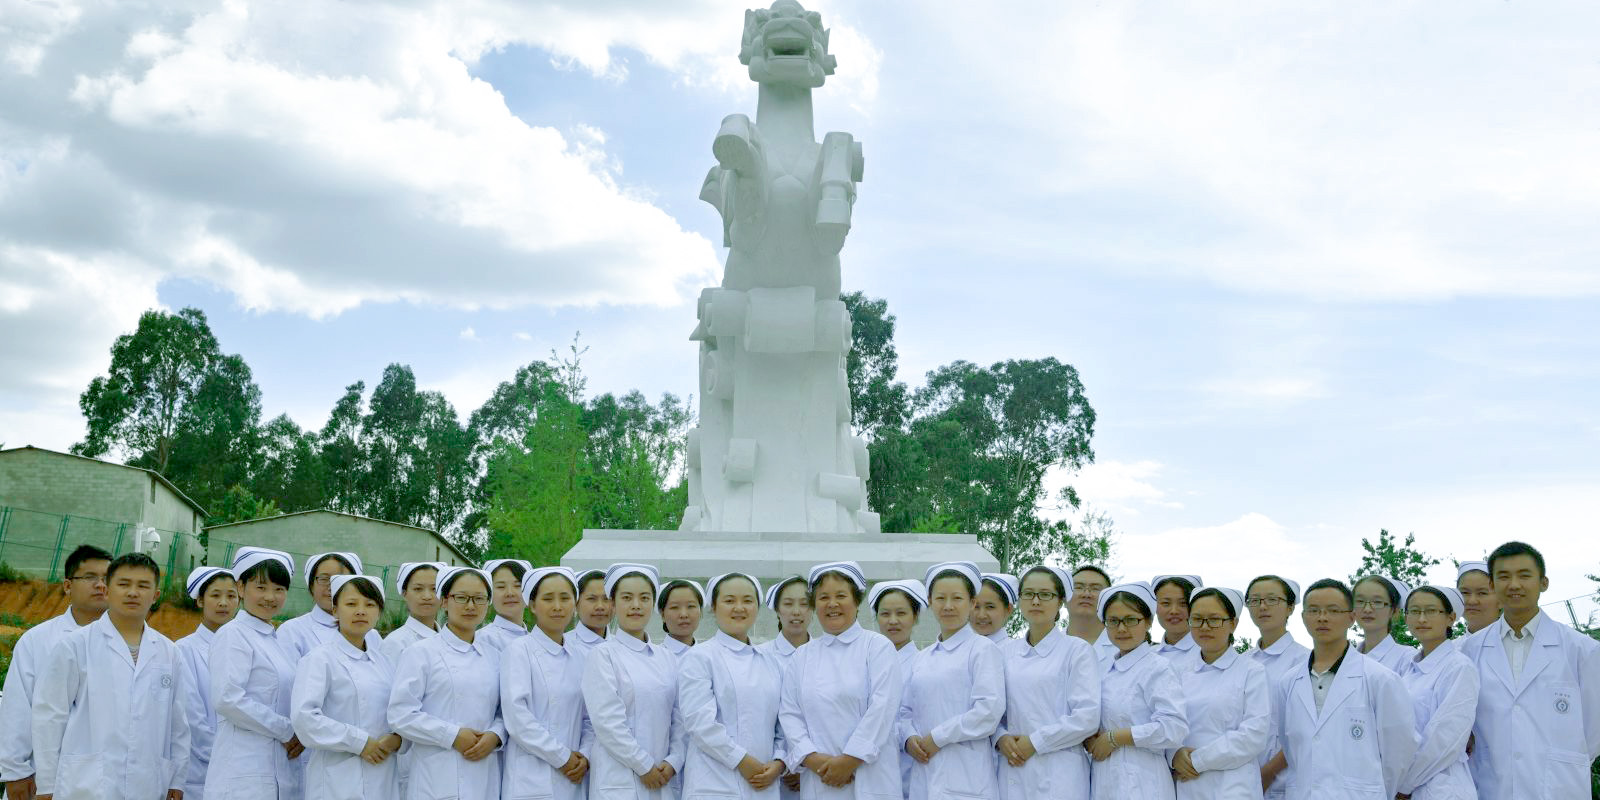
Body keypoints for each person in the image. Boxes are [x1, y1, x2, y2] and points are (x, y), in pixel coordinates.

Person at [30, 552, 189, 800]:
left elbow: (178, 723)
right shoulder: (75, 646)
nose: (133, 593)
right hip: (86, 786)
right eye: (124, 584)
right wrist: (47, 785)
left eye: (143, 586)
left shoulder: (170, 652)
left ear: (156, 595)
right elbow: (50, 716)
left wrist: (177, 779)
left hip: (148, 784)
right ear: (106, 590)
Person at [1456, 540, 1600, 800]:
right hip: (1489, 785)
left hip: (1558, 788)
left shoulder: (1582, 650)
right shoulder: (1470, 650)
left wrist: (1565, 761)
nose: (1514, 585)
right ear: (1493, 585)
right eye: (1503, 576)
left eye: (1524, 575)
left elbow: (1594, 728)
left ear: (1543, 583)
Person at [1275, 578, 1415, 800]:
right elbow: (1291, 746)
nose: (1322, 617)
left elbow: (1398, 752)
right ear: (1303, 617)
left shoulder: (1380, 679)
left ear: (1351, 617)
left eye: (1333, 610)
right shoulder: (1288, 682)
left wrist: (1375, 791)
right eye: (1314, 610)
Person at [778, 561, 903, 799]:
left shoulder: (877, 647)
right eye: (823, 597)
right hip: (819, 779)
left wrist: (850, 760)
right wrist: (812, 759)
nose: (832, 604)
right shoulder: (802, 656)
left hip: (869, 777)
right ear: (814, 605)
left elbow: (882, 709)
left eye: (841, 596)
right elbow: (789, 714)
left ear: (856, 601)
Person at [0, 544, 110, 800]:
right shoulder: (38, 641)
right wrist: (16, 771)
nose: (100, 585)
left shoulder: (128, 643)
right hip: (43, 774)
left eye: (107, 578)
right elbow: (17, 707)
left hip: (105, 777)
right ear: (68, 586)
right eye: (90, 577)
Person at [388, 566, 505, 800]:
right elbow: (400, 714)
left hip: (484, 772)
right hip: (435, 776)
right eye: (461, 597)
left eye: (479, 599)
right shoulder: (420, 653)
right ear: (444, 601)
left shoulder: (495, 657)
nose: (470, 606)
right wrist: (452, 735)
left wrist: (496, 735)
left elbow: (504, 711)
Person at [204, 546, 305, 800]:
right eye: (261, 587)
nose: (270, 597)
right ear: (241, 588)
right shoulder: (233, 634)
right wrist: (286, 730)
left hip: (280, 771)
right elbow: (227, 699)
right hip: (243, 772)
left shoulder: (278, 642)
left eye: (279, 589)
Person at [291, 574, 403, 799]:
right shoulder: (320, 659)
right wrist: (359, 742)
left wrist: (397, 738)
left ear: (379, 612)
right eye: (351, 604)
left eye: (369, 605)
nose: (361, 611)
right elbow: (304, 719)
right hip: (336, 780)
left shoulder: (385, 663)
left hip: (383, 774)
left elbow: (398, 711)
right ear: (335, 610)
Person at [899, 561, 1005, 800]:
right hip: (924, 770)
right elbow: (905, 711)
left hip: (967, 775)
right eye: (940, 598)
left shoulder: (982, 649)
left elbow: (988, 712)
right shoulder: (922, 658)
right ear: (930, 601)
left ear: (972, 603)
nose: (948, 606)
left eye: (957, 598)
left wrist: (938, 737)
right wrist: (908, 738)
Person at [581, 562, 685, 799]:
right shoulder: (602, 655)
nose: (636, 605)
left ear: (653, 604)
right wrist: (643, 765)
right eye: (627, 598)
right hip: (619, 779)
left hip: (662, 776)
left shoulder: (667, 657)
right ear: (613, 604)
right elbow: (607, 722)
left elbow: (679, 717)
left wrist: (674, 761)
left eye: (644, 598)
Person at [995, 565, 1099, 800]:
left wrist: (1035, 742)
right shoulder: (1005, 652)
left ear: (1060, 601)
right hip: (1012, 767)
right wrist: (1000, 737)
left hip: (1060, 771)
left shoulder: (1077, 651)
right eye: (1028, 594)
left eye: (1045, 594)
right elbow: (994, 709)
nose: (1036, 601)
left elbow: (1087, 717)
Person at [679, 572, 786, 799]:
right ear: (713, 607)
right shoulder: (700, 657)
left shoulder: (771, 661)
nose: (739, 608)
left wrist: (779, 761)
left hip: (763, 783)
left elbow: (782, 723)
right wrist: (741, 761)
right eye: (729, 601)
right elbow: (699, 723)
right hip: (713, 784)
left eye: (747, 600)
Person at [1085, 582, 1186, 800]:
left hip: (1144, 780)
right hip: (1104, 778)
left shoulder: (1158, 668)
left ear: (1148, 622)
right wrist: (1089, 738)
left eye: (1131, 620)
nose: (1122, 629)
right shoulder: (1103, 670)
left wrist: (1117, 737)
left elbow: (1173, 728)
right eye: (1113, 621)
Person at [1169, 587, 1271, 799]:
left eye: (1214, 619)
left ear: (1233, 623)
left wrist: (1198, 761)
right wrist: (1173, 755)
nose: (1205, 627)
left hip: (1234, 787)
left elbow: (1254, 735)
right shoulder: (1177, 672)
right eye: (1197, 619)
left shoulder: (1251, 671)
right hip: (1187, 785)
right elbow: (1167, 722)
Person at [501, 566, 592, 800]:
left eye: (565, 598)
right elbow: (517, 717)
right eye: (548, 599)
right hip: (531, 778)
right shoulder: (518, 651)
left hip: (574, 775)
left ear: (575, 604)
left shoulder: (582, 656)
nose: (558, 607)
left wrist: (585, 755)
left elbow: (590, 717)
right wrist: (562, 757)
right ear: (532, 605)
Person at [1395, 585, 1478, 799]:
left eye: (1431, 611)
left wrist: (1404, 786)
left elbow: (1444, 739)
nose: (1422, 619)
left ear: (1451, 618)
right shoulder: (1408, 669)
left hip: (1441, 787)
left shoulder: (1459, 667)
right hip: (1406, 782)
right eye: (1414, 611)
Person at [176, 566, 240, 800]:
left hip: (246, 767)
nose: (224, 603)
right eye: (215, 595)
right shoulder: (184, 650)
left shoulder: (246, 648)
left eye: (231, 596)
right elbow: (192, 717)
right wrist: (227, 757)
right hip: (203, 769)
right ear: (200, 601)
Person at [1242, 574, 1309, 799]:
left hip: (1285, 779)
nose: (1263, 607)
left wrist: (1269, 773)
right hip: (1241, 776)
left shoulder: (1305, 661)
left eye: (1272, 599)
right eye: (1255, 600)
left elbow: (1305, 728)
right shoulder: (1241, 661)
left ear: (1290, 608)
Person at [866, 580, 925, 798]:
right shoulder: (864, 664)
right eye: (885, 614)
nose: (893, 621)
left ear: (915, 616)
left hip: (910, 764)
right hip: (867, 764)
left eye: (901, 613)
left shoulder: (924, 664)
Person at [758, 574, 813, 799]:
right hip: (767, 767)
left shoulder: (826, 656)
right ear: (777, 610)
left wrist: (804, 765)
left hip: (817, 768)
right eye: (788, 604)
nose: (796, 612)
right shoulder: (759, 656)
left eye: (804, 604)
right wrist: (784, 763)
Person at [279, 552, 381, 660]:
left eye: (341, 580)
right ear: (311, 586)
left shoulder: (371, 635)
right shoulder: (292, 631)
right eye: (324, 579)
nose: (332, 586)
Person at [379, 562, 444, 665]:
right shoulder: (395, 644)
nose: (427, 596)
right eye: (418, 589)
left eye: (434, 589)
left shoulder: (449, 640)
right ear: (404, 594)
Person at [1351, 575, 1417, 675]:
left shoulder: (1408, 659)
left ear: (1394, 611)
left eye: (1377, 602)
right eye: (1360, 601)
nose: (1367, 609)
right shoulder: (1346, 658)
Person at [1064, 566, 1117, 668]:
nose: (1086, 594)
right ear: (1064, 599)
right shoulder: (1048, 646)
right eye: (1078, 587)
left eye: (1095, 588)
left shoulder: (1124, 648)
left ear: (1108, 600)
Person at [478, 558, 532, 655]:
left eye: (518, 585)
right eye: (501, 587)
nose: (510, 593)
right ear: (489, 594)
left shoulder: (536, 640)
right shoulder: (482, 640)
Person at [1151, 575, 1202, 661]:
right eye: (1166, 603)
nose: (1174, 611)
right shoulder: (1146, 656)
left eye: (1183, 603)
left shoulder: (1209, 654)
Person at [570, 569, 613, 657]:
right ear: (576, 603)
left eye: (606, 599)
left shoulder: (625, 647)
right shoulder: (564, 646)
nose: (600, 606)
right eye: (591, 599)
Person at [658, 579, 706, 656]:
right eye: (674, 607)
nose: (684, 614)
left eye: (690, 606)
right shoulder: (654, 657)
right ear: (662, 615)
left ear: (701, 612)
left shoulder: (710, 656)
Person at [970, 573, 1018, 645]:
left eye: (990, 607)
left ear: (1008, 610)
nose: (981, 616)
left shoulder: (1015, 650)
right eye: (975, 606)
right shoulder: (960, 648)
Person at [1453, 561, 1499, 635]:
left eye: (1482, 593)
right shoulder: (1454, 643)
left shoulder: (1515, 641)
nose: (1472, 601)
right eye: (1465, 592)